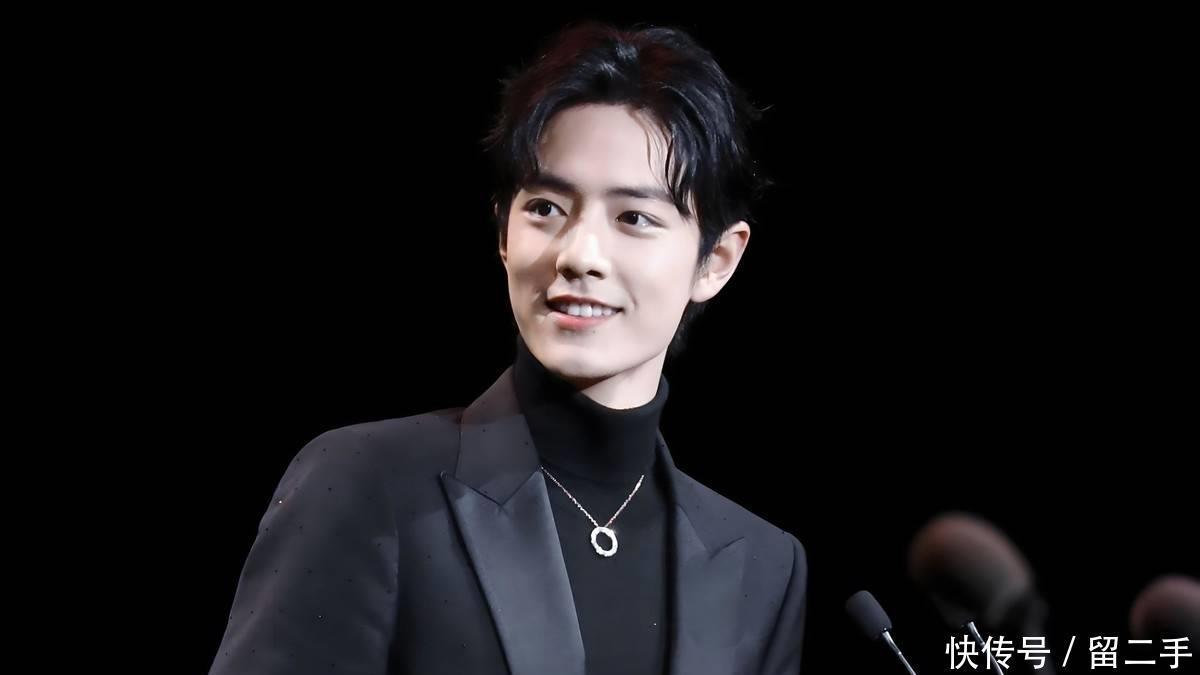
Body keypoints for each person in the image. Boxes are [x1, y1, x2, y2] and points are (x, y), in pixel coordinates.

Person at [209, 20, 807, 675]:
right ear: (503, 232)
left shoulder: (763, 566)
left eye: (633, 217)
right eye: (546, 208)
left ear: (717, 261)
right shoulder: (368, 481)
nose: (578, 255)